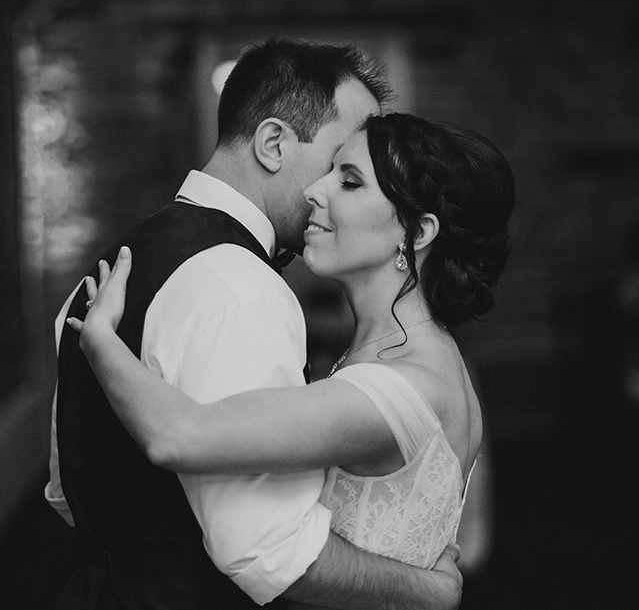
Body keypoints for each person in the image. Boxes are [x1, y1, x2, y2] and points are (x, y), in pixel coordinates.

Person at [45, 39, 464, 610]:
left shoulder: (116, 263)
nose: (324, 191)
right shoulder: (241, 290)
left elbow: (69, 490)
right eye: (339, 160)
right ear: (272, 143)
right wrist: (427, 591)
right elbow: (265, 550)